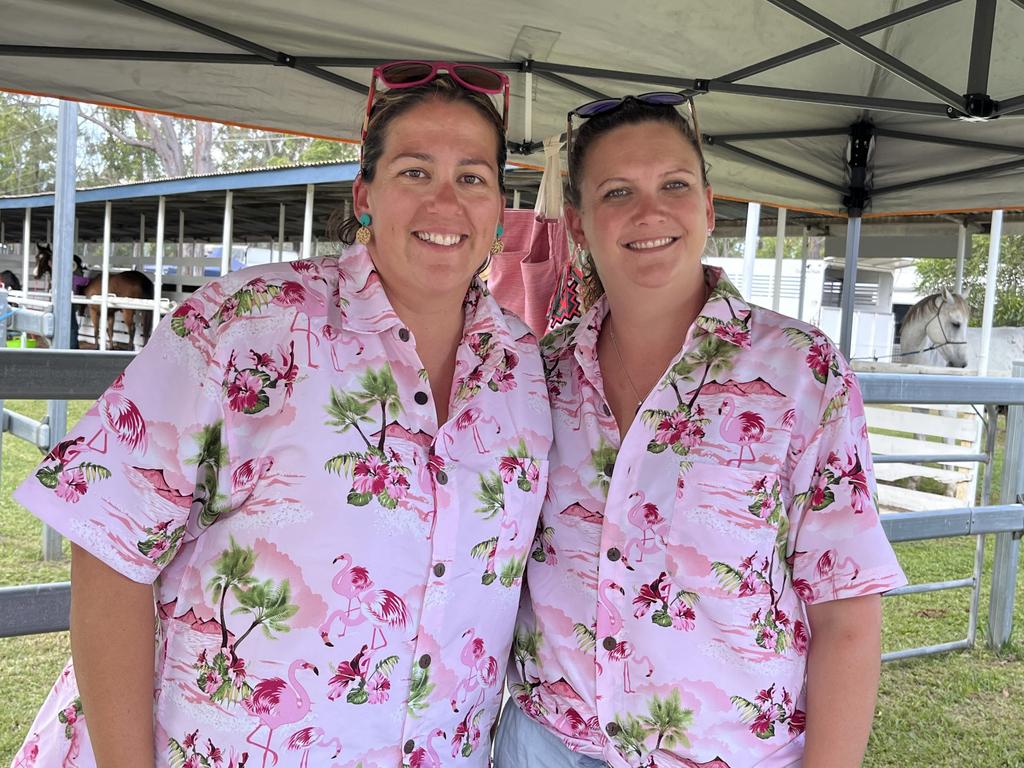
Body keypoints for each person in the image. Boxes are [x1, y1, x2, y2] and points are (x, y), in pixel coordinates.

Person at [11, 62, 551, 768]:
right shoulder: (245, 325)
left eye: (473, 178)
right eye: (415, 172)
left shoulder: (524, 367)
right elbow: (109, 545)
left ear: (498, 212)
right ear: (364, 195)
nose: (445, 203)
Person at [496, 94, 906, 768]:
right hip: (546, 745)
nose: (649, 211)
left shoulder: (799, 369)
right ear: (578, 223)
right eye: (618, 191)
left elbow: (848, 611)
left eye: (674, 185)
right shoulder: (542, 371)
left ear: (709, 208)